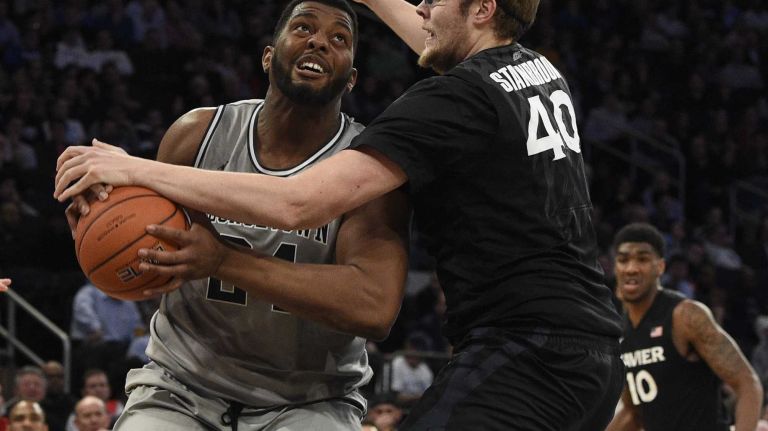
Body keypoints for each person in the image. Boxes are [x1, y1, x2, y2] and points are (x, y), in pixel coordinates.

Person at [54, 0, 622, 428]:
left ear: (483, 8)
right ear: (268, 55)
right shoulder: (533, 70)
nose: (421, 9)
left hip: (525, 350)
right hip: (586, 351)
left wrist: (134, 168)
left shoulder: (447, 102)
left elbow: (296, 203)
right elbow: (443, 42)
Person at [59, 1, 409, 430]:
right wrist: (102, 210)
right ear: (268, 57)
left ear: (351, 78)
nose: (319, 41)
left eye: (340, 38)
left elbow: (373, 305)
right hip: (182, 385)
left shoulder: (369, 167)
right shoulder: (198, 135)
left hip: (311, 399)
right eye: (303, 27)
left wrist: (223, 261)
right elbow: (147, 243)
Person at [606, 223, 762, 431]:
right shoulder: (621, 333)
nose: (631, 268)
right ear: (615, 267)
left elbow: (747, 384)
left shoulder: (685, 315)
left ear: (660, 267)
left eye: (642, 259)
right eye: (623, 260)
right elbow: (633, 413)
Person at [40, 361, 76, 431]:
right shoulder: (37, 404)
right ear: (42, 378)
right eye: (50, 376)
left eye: (59, 376)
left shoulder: (73, 403)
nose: (55, 380)